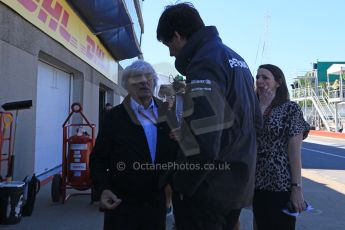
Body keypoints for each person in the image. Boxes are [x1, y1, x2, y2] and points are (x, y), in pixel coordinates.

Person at [156, 3, 262, 230]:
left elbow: (203, 143)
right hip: (236, 185)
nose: (170, 53)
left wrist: (181, 185)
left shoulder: (204, 62)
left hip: (208, 191)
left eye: (168, 44)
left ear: (178, 36)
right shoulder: (236, 59)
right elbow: (256, 123)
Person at [89, 60, 177, 230]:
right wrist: (103, 188)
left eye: (149, 77)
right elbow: (98, 159)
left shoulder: (167, 112)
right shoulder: (114, 117)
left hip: (155, 204)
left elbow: (178, 152)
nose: (144, 80)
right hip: (122, 203)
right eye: (137, 77)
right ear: (127, 86)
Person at [253, 64, 310, 230]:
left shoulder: (290, 109)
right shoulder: (253, 108)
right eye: (257, 77)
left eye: (265, 77)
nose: (259, 81)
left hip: (280, 184)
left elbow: (294, 153)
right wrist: (262, 106)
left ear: (278, 82)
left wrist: (296, 188)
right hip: (256, 183)